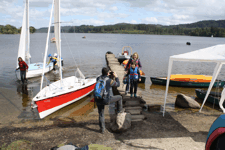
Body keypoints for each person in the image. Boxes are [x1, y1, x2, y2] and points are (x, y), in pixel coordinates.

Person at [95, 67, 124, 134]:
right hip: (106, 99)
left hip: (98, 98)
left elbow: (102, 79)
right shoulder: (109, 81)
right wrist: (116, 77)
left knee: (101, 114)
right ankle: (119, 111)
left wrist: (108, 75)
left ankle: (102, 130)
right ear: (108, 73)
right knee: (119, 97)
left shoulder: (98, 78)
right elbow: (118, 84)